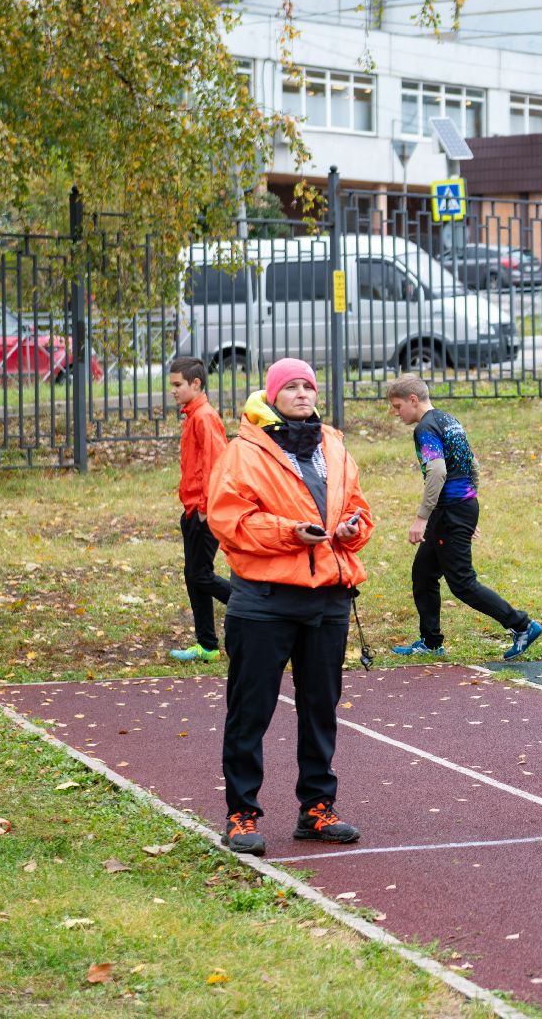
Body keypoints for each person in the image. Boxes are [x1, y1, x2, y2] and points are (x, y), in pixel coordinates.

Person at [208, 358, 373, 856]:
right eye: (292, 387)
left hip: (328, 600)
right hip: (264, 602)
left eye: (308, 386)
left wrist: (352, 529)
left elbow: (359, 507)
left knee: (320, 709)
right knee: (250, 712)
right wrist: (289, 533)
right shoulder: (243, 452)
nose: (303, 393)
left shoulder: (335, 446)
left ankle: (317, 808)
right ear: (272, 395)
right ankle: (242, 815)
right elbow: (228, 519)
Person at [384, 375, 542, 661]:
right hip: (457, 508)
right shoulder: (449, 420)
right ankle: (431, 642)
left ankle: (521, 625)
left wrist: (422, 518)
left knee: (462, 583)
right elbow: (473, 464)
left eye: (397, 406)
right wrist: (468, 506)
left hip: (449, 510)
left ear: (413, 400)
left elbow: (437, 472)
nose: (396, 413)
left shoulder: (425, 428)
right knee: (423, 574)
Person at [167, 356, 231, 662]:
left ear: (196, 383)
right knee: (195, 576)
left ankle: (251, 605)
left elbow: (216, 464)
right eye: (172, 385)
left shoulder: (204, 417)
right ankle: (206, 645)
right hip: (192, 510)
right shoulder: (193, 415)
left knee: (199, 575)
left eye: (178, 385)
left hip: (204, 512)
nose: (174, 391)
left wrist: (206, 507)